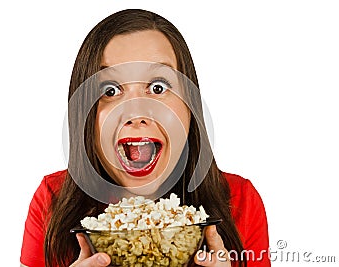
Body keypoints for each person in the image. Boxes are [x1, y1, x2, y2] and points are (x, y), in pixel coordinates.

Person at [20, 9, 270, 267]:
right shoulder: (52, 200)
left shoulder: (239, 202)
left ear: (190, 108)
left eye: (158, 87)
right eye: (110, 90)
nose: (135, 111)